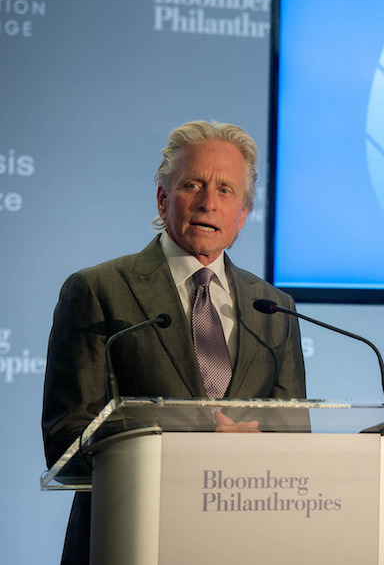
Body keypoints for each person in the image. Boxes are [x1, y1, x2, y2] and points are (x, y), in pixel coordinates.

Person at [41, 120, 306, 564]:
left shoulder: (274, 308)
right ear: (164, 199)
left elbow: (294, 437)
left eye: (226, 190)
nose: (208, 202)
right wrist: (196, 450)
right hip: (128, 541)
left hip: (242, 544)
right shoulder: (98, 289)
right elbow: (68, 441)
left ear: (243, 213)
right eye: (193, 185)